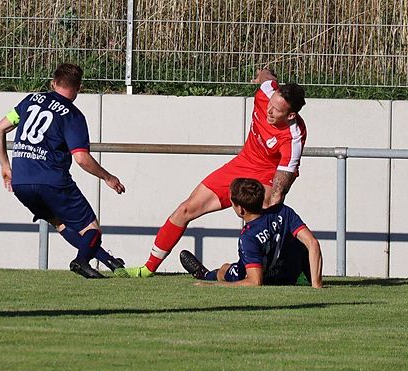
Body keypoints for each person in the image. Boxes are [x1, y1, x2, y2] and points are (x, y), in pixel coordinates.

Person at [116, 68, 306, 278]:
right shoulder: (267, 92)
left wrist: (272, 212)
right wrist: (263, 73)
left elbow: (280, 187)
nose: (269, 111)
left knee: (266, 220)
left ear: (291, 115)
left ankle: (287, 267)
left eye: (276, 110)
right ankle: (148, 268)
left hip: (267, 175)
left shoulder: (293, 138)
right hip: (241, 164)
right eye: (270, 105)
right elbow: (268, 78)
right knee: (186, 209)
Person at [0, 63, 126, 278]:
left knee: (60, 222)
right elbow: (81, 158)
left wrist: (5, 166)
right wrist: (107, 177)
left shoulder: (30, 100)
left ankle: (109, 261)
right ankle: (82, 261)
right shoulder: (72, 115)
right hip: (52, 180)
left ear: (53, 83)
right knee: (92, 229)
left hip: (21, 182)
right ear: (79, 87)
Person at [179, 178, 323, 288]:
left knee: (224, 270)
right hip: (288, 275)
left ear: (240, 209)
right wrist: (317, 285)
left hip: (267, 277)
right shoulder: (283, 211)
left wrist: (213, 286)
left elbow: (255, 281)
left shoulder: (248, 236)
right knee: (300, 242)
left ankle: (204, 275)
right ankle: (309, 278)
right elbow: (313, 243)